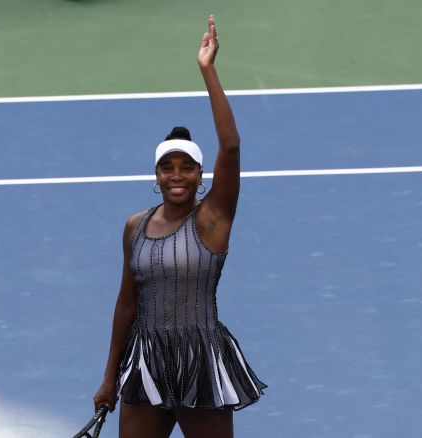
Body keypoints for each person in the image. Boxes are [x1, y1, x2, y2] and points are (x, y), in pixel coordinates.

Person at [92, 15, 266, 438]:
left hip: (200, 361)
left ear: (200, 175)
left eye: (187, 167)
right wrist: (110, 377)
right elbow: (126, 305)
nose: (176, 175)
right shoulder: (135, 226)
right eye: (167, 167)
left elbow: (232, 145)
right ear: (155, 175)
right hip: (146, 362)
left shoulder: (213, 217)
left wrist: (208, 70)